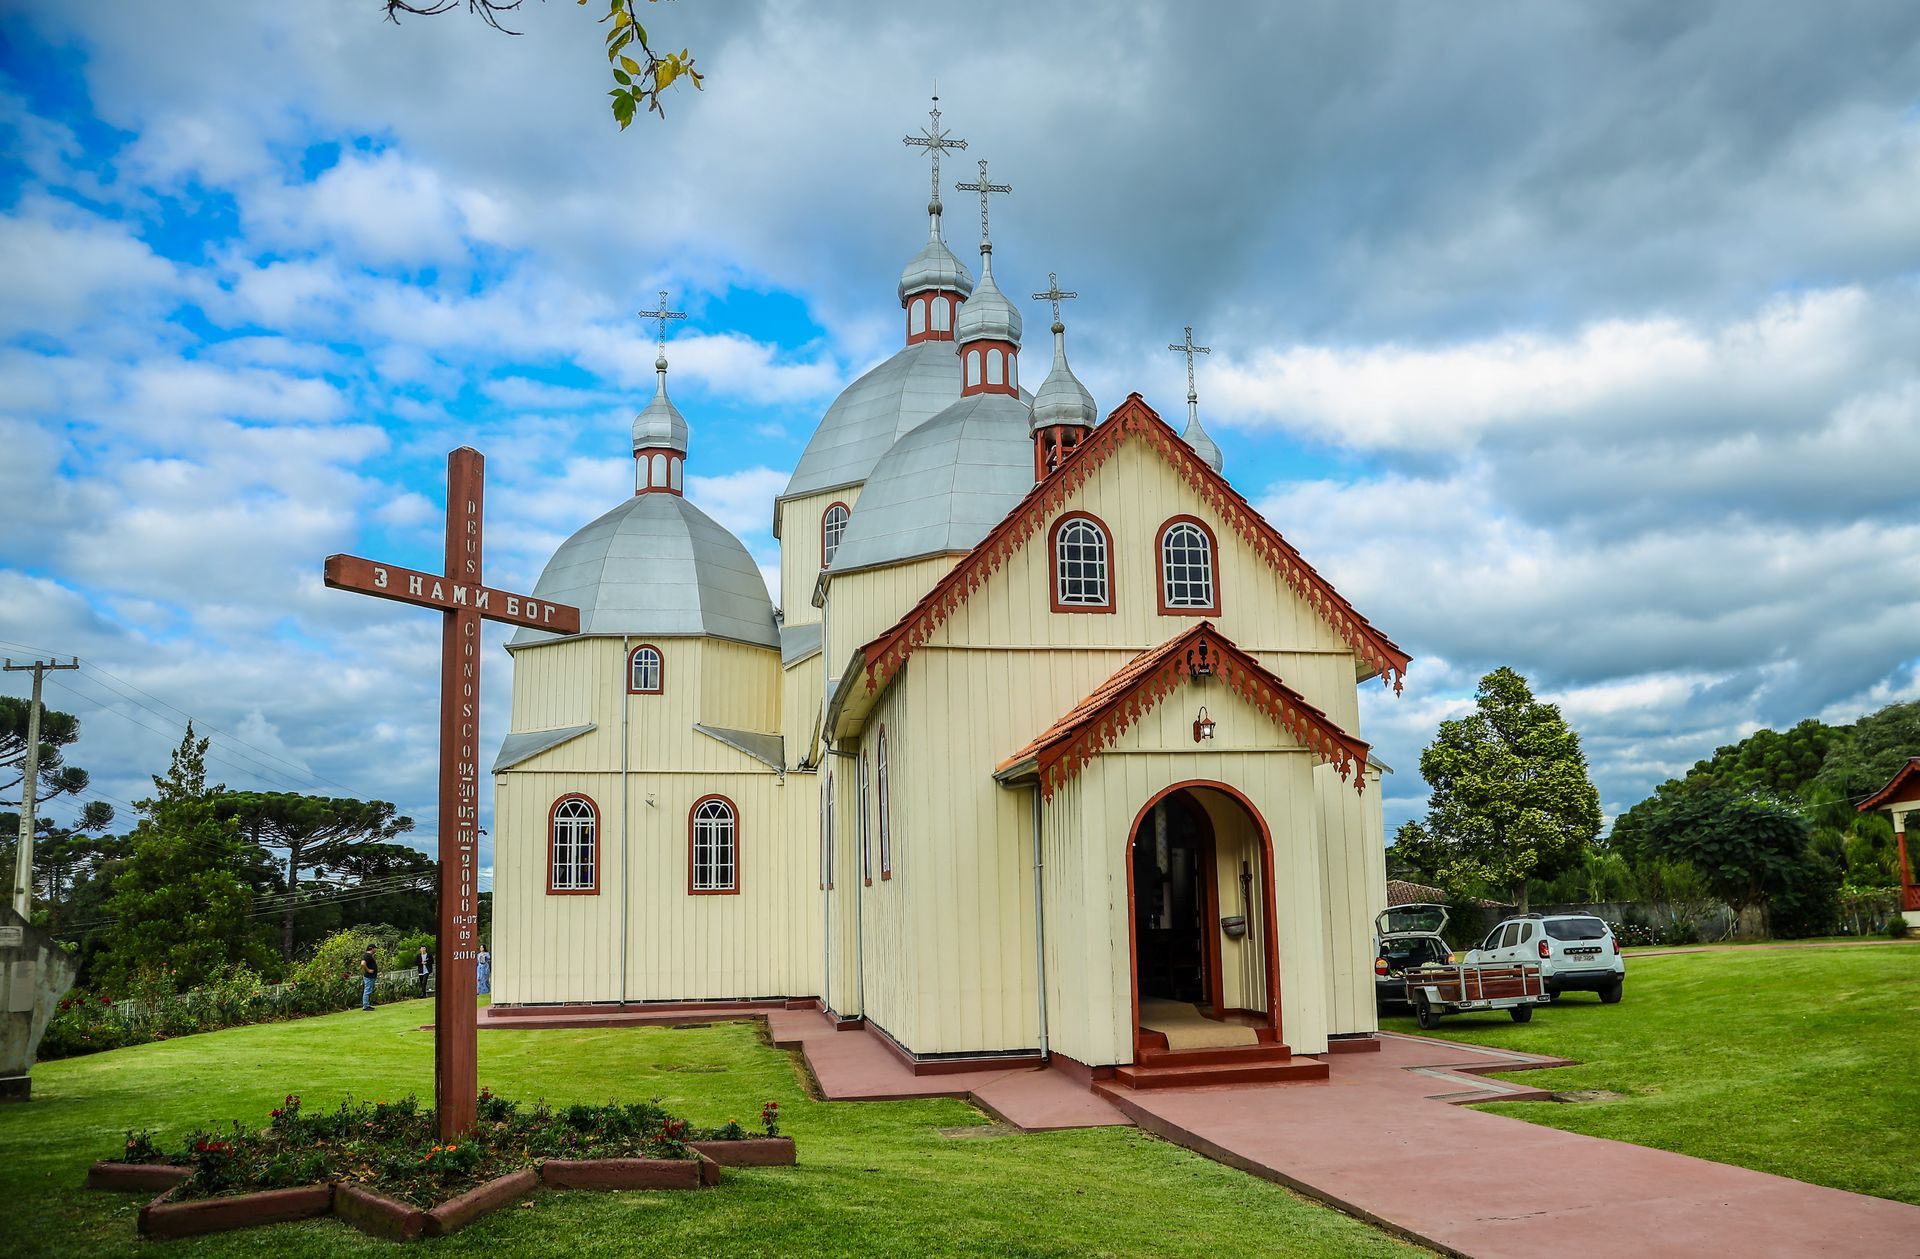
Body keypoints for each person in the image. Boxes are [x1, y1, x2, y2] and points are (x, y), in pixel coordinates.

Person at [360, 944, 378, 1011]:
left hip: (371, 976)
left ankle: (367, 1005)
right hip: (369, 976)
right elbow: (362, 963)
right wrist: (368, 970)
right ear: (372, 948)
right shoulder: (367, 955)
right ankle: (365, 1006)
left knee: (368, 990)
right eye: (375, 948)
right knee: (367, 990)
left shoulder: (369, 956)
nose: (376, 950)